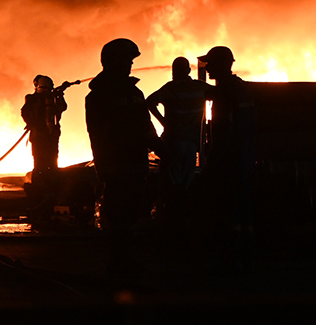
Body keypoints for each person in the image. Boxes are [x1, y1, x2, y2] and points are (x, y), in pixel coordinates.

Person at [85, 38, 162, 274]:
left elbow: (146, 126)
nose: (130, 64)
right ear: (112, 61)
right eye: (127, 60)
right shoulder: (100, 96)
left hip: (135, 163)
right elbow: (99, 133)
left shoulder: (134, 92)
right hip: (117, 165)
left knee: (130, 215)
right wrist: (105, 165)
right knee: (118, 214)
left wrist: (161, 149)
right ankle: (118, 261)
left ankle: (125, 259)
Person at [198, 45, 256, 272]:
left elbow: (223, 133)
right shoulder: (241, 89)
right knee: (243, 212)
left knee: (227, 212)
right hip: (244, 160)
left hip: (228, 164)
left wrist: (212, 165)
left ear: (222, 64)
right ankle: (245, 257)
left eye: (211, 63)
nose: (208, 67)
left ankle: (229, 260)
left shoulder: (224, 93)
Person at [146, 57, 211, 220]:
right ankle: (185, 218)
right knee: (187, 183)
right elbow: (219, 95)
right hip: (191, 144)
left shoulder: (170, 88)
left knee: (171, 184)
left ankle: (172, 218)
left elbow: (150, 101)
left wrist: (163, 121)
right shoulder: (199, 88)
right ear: (188, 71)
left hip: (172, 144)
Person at [20, 75, 67, 193]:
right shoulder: (51, 98)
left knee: (40, 164)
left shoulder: (32, 99)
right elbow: (62, 108)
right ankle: (51, 190)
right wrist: (60, 95)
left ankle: (40, 190)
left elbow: (25, 113)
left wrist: (60, 94)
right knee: (51, 163)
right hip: (49, 137)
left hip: (39, 137)